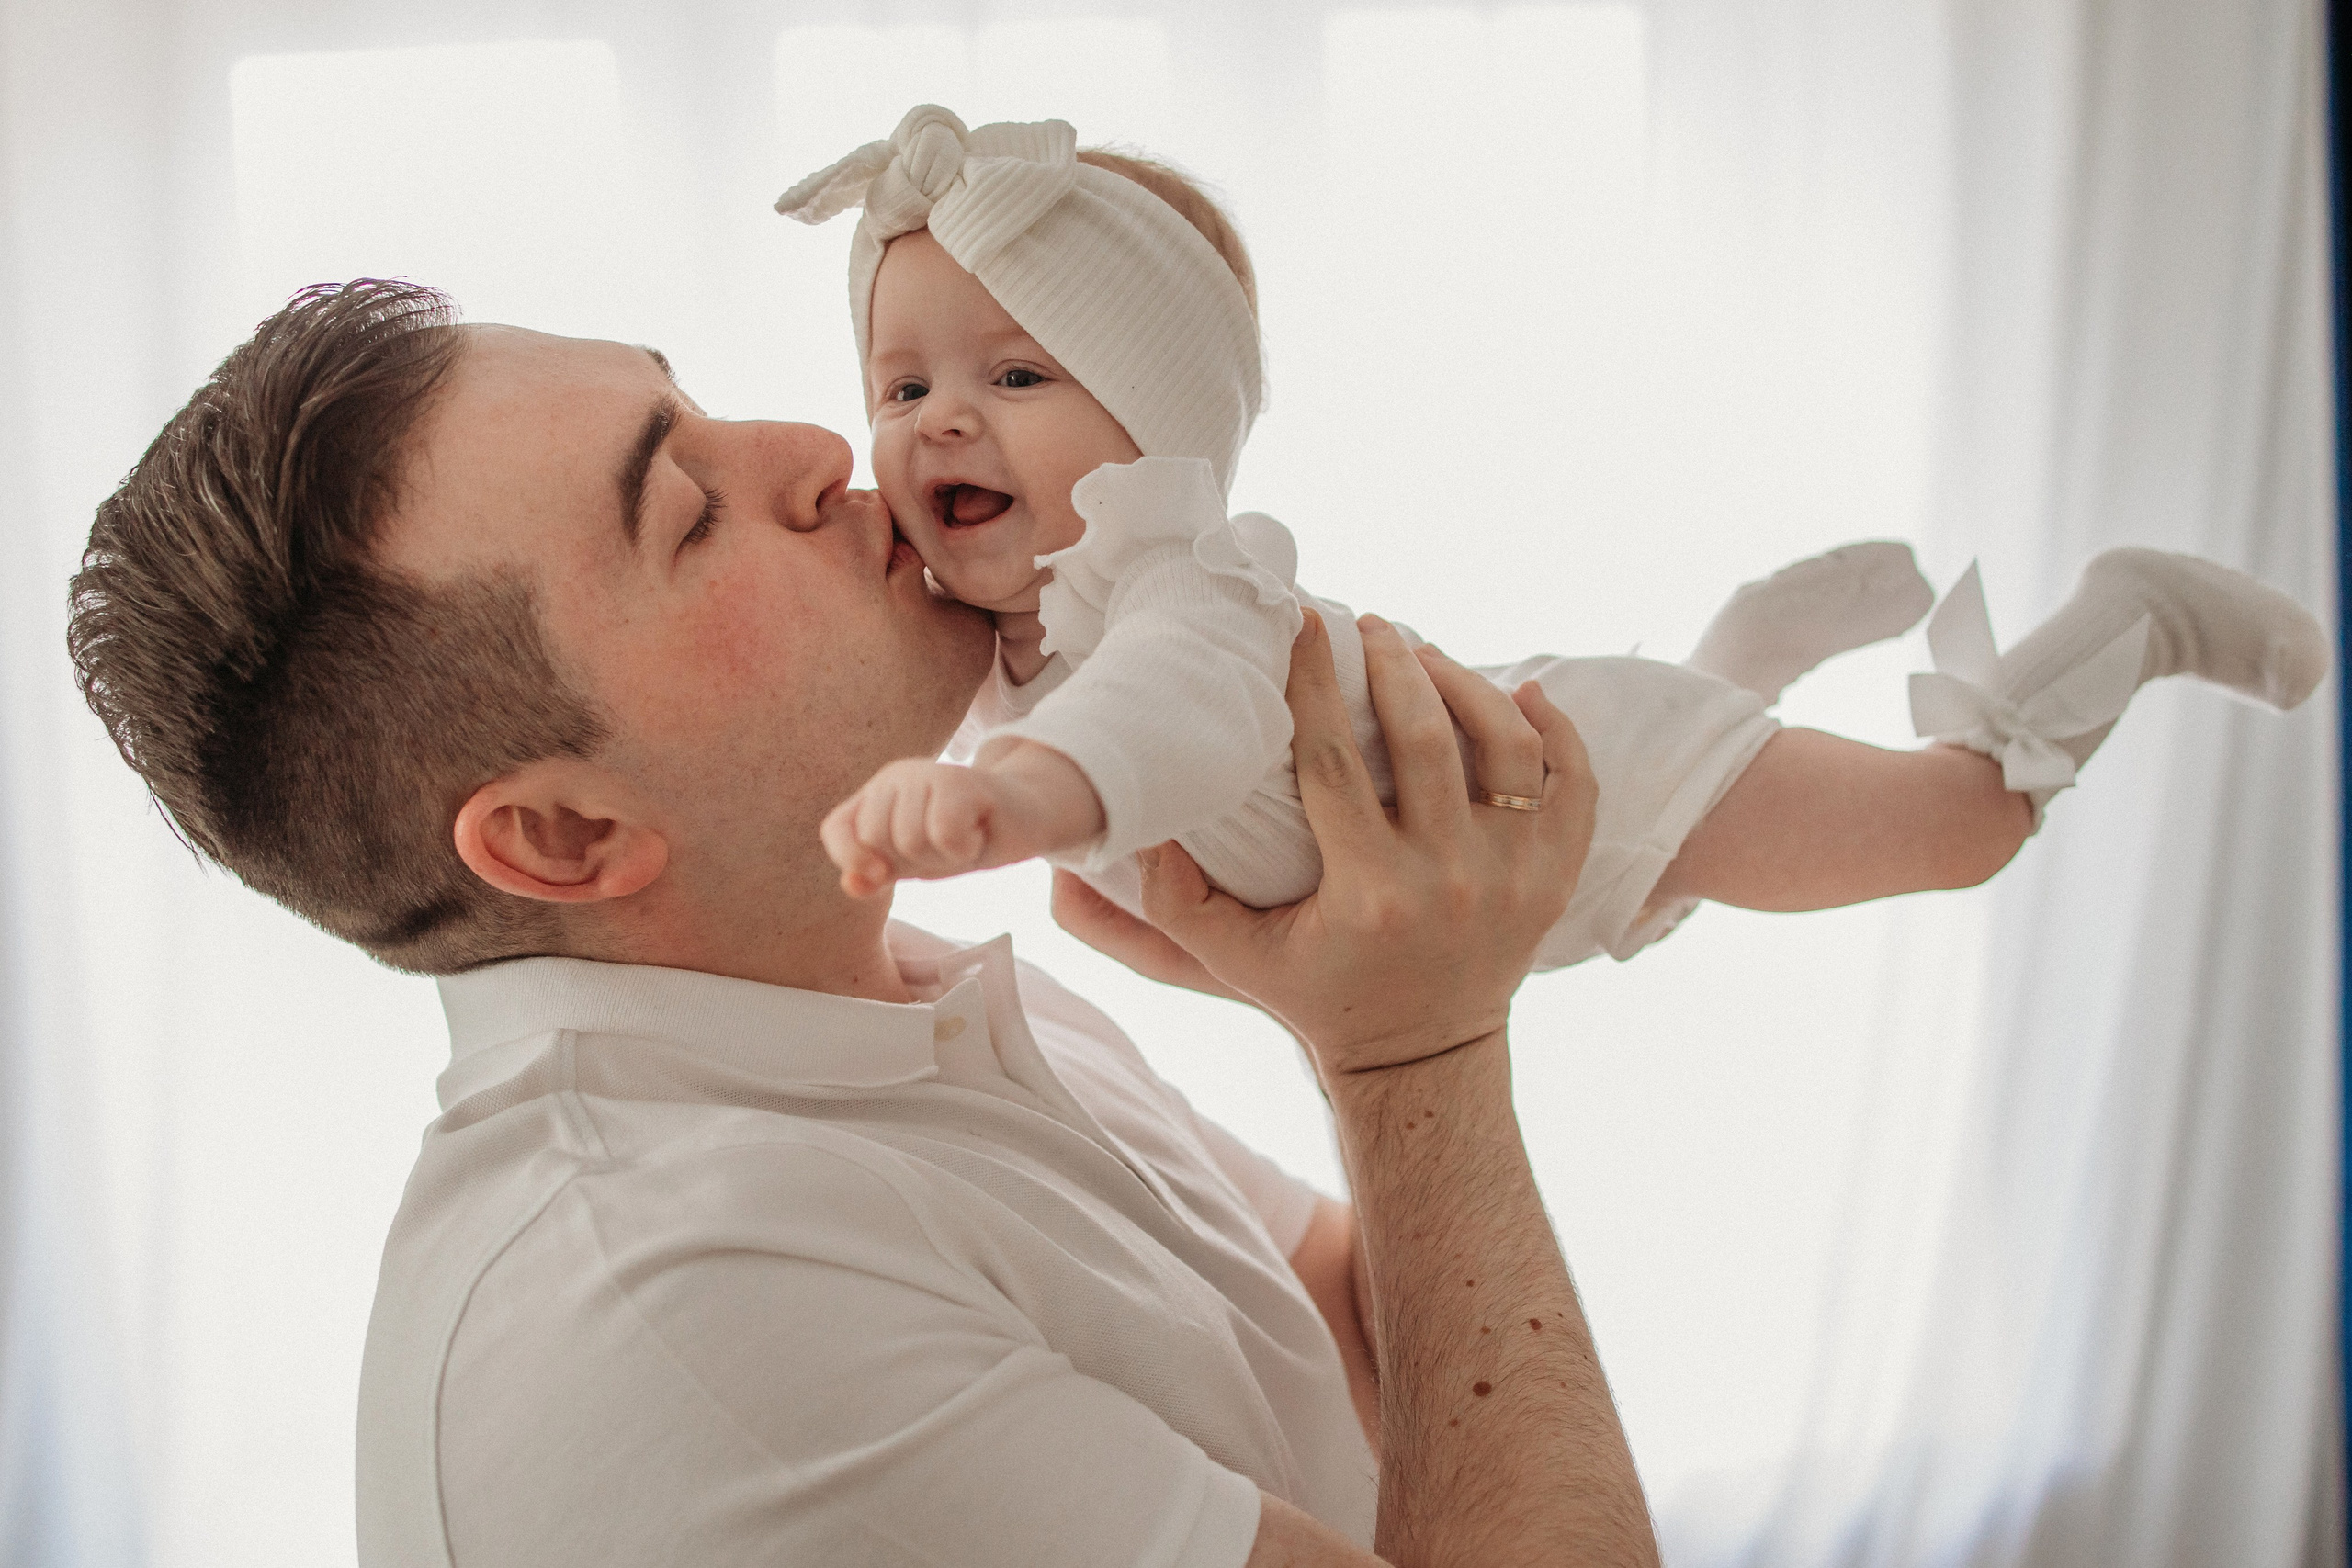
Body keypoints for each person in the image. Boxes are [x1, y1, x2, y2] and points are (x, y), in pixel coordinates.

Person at [69, 278, 1659, 1565]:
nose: (819, 449)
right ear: (566, 836)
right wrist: (1416, 1057)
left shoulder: (871, 984)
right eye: (690, 508)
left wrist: (1359, 1011)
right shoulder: (697, 1316)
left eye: (689, 394)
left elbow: (1345, 1321)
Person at [787, 107, 2329, 968]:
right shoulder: (984, 626)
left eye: (1014, 376)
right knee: (1653, 898)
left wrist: (1018, 803)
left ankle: (2136, 616)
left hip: (1577, 768)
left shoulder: (1187, 583)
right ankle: (1743, 661)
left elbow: (1173, 717)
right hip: (1501, 827)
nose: (935, 421)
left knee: (1962, 831)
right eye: (902, 382)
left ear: (1157, 423)